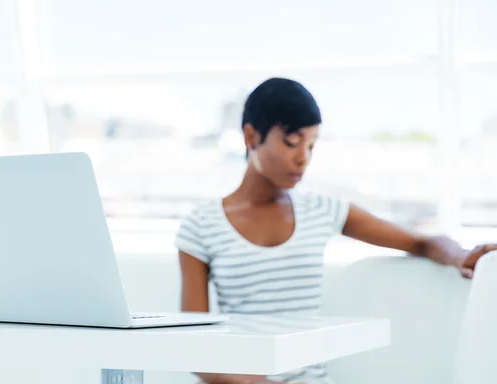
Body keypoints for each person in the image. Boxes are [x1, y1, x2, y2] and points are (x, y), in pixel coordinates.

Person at [175, 77, 497, 384]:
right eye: (291, 142)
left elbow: (421, 242)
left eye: (312, 146)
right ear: (250, 136)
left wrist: (462, 256)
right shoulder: (202, 226)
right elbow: (197, 352)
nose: (303, 159)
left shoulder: (321, 210)